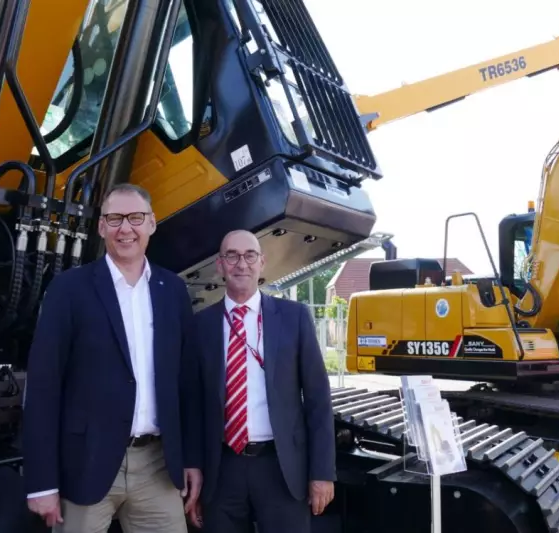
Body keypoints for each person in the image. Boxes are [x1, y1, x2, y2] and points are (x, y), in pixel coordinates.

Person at [22, 183, 203, 532]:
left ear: (152, 223)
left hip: (157, 467)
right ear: (102, 226)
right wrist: (42, 483)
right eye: (115, 218)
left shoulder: (173, 290)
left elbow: (187, 383)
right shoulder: (68, 289)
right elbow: (43, 387)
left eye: (135, 218)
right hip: (85, 463)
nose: (125, 228)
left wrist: (191, 458)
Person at [187, 229, 336, 533]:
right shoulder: (201, 325)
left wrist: (322, 472)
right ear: (220, 265)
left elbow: (318, 400)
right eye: (232, 256)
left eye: (250, 255)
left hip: (282, 468)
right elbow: (193, 405)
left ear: (262, 262)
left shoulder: (294, 317)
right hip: (222, 469)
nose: (241, 264)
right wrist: (194, 466)